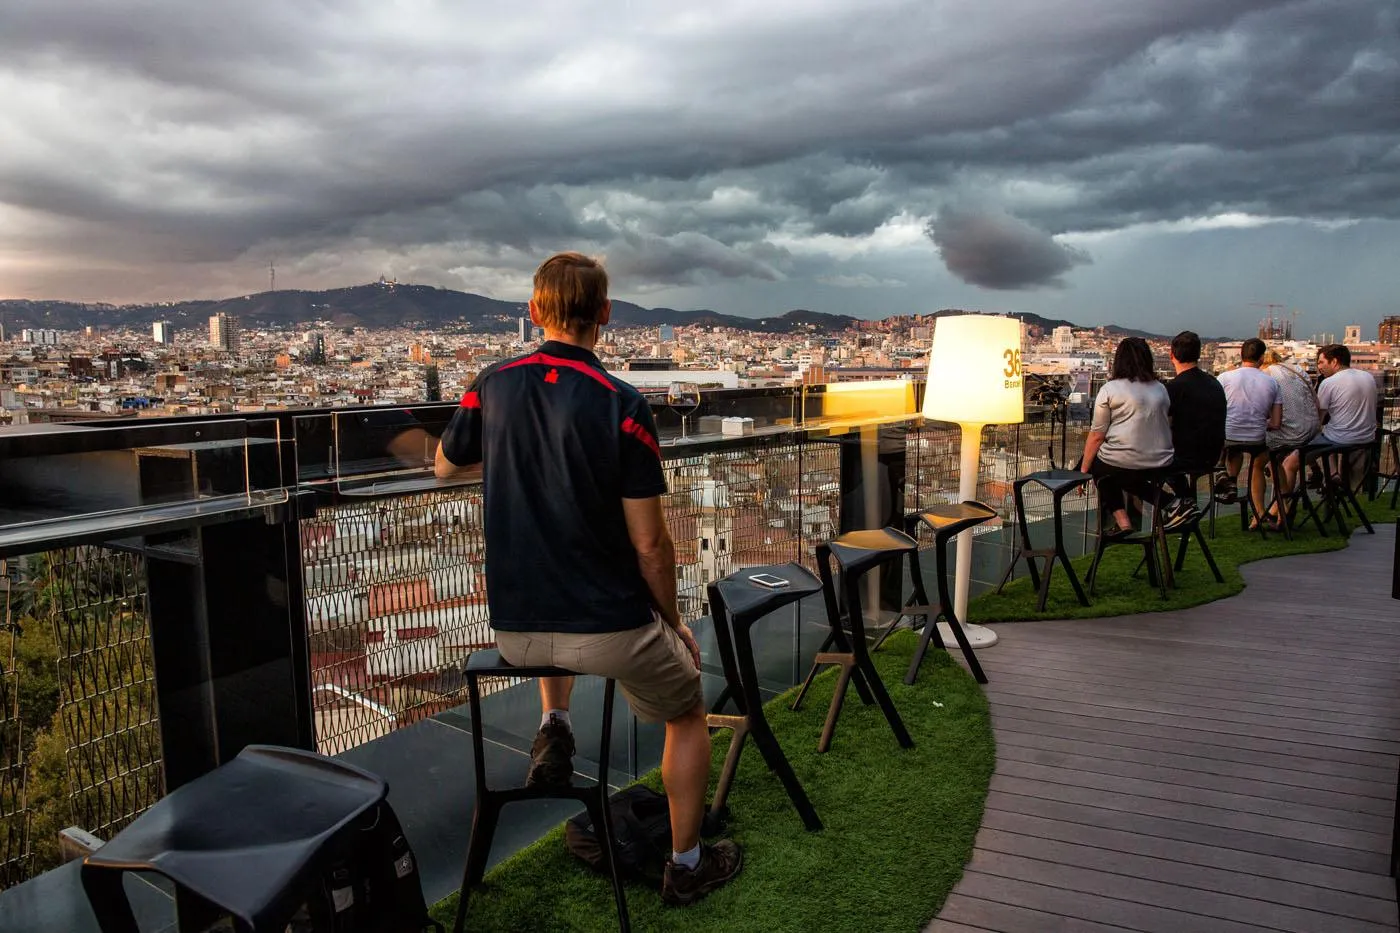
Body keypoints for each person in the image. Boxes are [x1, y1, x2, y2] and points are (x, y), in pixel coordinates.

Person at [434, 252, 741, 905]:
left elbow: (443, 465)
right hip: (609, 627)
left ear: (534, 311)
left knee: (557, 589)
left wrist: (517, 451)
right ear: (604, 314)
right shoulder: (621, 404)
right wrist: (675, 622)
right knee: (686, 712)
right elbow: (651, 544)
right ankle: (687, 863)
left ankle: (556, 722)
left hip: (517, 629)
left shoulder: (491, 384)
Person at [1079, 337, 1184, 537]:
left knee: (1099, 468)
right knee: (1120, 473)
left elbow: (1096, 435)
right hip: (1162, 461)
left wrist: (1083, 471)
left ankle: (1128, 520)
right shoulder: (1160, 388)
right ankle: (1169, 504)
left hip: (1128, 462)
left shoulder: (1110, 389)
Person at [1252, 349, 1319, 527]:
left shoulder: (1265, 376)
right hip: (1312, 429)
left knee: (1259, 461)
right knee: (1276, 459)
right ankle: (1280, 506)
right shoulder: (1298, 370)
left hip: (1292, 432)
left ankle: (1266, 510)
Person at [1163, 331, 1224, 521]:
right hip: (1213, 455)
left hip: (1184, 457)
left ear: (1172, 355)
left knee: (1154, 462)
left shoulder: (1174, 388)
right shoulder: (1214, 383)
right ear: (1198, 355)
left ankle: (1182, 503)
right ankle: (1185, 503)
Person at [1214, 338, 1281, 504]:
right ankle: (1258, 505)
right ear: (1261, 358)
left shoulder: (1224, 378)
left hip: (1229, 436)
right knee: (1258, 455)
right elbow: (1276, 423)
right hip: (1256, 439)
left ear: (1241, 355)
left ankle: (1230, 480)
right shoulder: (1272, 382)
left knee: (1233, 448)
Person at [1315, 343, 1378, 491]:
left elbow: (1319, 418)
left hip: (1341, 439)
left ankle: (1332, 474)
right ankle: (1352, 494)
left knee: (1321, 436)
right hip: (1367, 438)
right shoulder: (1368, 377)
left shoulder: (1328, 383)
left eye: (1321, 362)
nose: (1319, 367)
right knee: (1355, 480)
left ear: (1334, 361)